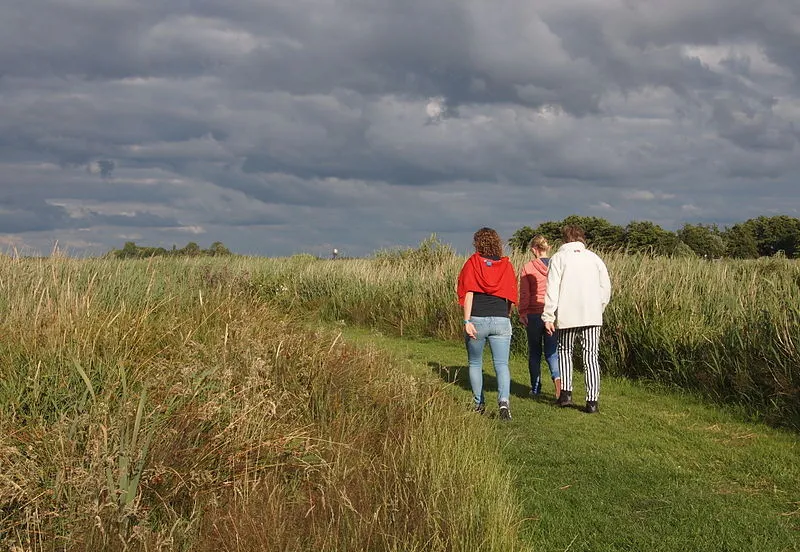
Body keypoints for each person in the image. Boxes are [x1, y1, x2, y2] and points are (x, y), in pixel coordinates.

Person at [542, 225, 611, 414]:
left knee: (565, 351)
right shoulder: (595, 259)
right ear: (582, 238)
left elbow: (552, 289)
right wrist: (599, 307)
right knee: (591, 357)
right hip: (592, 315)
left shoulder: (559, 258)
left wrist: (548, 315)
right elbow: (605, 288)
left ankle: (566, 394)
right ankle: (592, 401)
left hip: (567, 314)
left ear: (565, 239)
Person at [457, 227, 518, 420]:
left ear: (477, 243)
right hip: (501, 319)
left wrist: (467, 320)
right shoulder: (506, 265)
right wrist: (506, 316)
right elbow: (511, 295)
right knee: (501, 364)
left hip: (477, 319)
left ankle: (479, 404)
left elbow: (468, 293)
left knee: (475, 363)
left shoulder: (472, 263)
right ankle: (504, 403)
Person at [518, 235, 561, 400]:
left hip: (534, 314)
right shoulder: (556, 266)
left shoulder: (528, 267)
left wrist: (522, 313)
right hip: (553, 313)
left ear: (534, 249)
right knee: (552, 352)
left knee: (535, 352)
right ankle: (557, 379)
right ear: (547, 248)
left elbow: (525, 293)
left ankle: (535, 388)